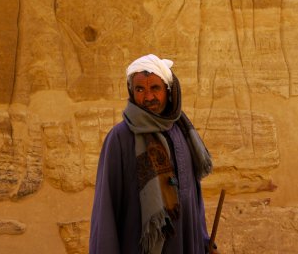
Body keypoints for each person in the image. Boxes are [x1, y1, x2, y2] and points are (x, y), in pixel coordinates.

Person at [89, 54, 218, 253]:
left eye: (155, 88)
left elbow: (194, 198)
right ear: (131, 92)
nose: (148, 97)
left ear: (168, 90)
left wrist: (203, 241)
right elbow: (106, 208)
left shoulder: (182, 131)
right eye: (140, 89)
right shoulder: (120, 138)